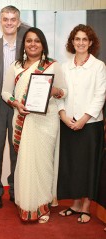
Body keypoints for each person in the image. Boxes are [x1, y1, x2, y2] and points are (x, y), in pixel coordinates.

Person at [1, 27, 67, 223]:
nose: (32, 44)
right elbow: (5, 92)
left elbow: (64, 92)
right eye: (29, 41)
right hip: (23, 118)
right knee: (25, 163)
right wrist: (16, 103)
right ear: (24, 44)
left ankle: (43, 206)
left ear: (43, 44)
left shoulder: (53, 66)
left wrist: (54, 90)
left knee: (44, 164)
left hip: (47, 121)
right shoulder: (15, 66)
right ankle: (27, 204)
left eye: (37, 41)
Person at [57, 24, 106, 224]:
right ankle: (75, 204)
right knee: (72, 165)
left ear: (91, 43)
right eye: (77, 39)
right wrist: (63, 115)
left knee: (88, 165)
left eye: (85, 39)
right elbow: (58, 93)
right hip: (68, 122)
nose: (81, 42)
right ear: (72, 42)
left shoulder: (99, 66)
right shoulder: (63, 66)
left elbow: (100, 95)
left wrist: (84, 119)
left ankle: (86, 206)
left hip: (91, 124)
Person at [0, 5, 29, 208]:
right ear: (0, 21)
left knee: (17, 151)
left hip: (19, 107)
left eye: (13, 19)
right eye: (5, 19)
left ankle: (15, 188)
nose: (9, 23)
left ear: (18, 22)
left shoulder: (27, 45)